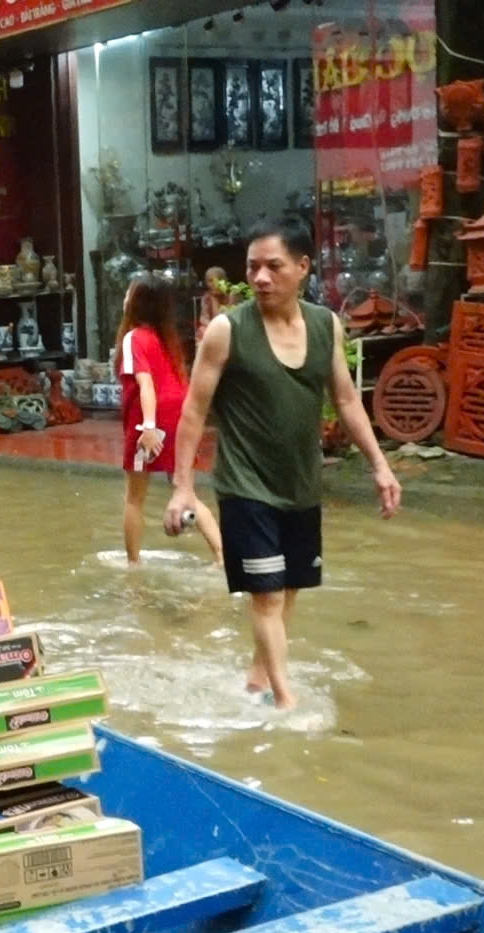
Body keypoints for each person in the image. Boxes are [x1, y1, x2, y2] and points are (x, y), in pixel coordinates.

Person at [165, 220, 402, 710]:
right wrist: (182, 487)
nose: (260, 278)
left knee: (289, 589)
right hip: (245, 485)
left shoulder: (324, 325)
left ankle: (256, 677)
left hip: (300, 484)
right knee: (267, 596)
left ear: (302, 268)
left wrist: (379, 464)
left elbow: (346, 399)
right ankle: (285, 700)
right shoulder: (227, 331)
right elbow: (193, 411)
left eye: (273, 266)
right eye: (252, 267)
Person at [116, 274, 221, 565]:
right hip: (179, 415)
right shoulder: (165, 339)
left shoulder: (133, 338)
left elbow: (145, 384)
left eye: (129, 293)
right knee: (184, 488)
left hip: (150, 420)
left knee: (134, 497)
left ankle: (133, 565)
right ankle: (222, 553)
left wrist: (148, 427)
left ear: (137, 303)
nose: (125, 297)